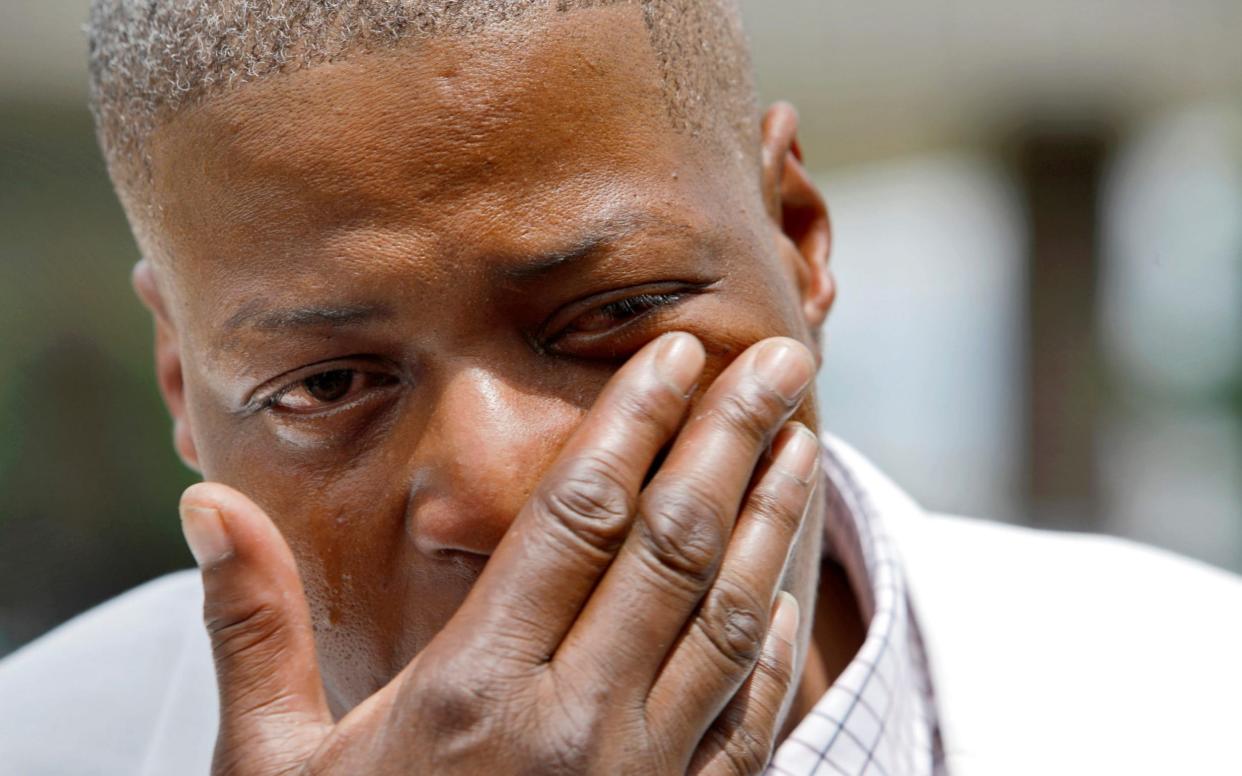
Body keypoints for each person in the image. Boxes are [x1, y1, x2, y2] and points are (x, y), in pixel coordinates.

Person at [1, 1, 1240, 774]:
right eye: (327, 384)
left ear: (800, 236)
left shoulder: (1197, 695)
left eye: (616, 317)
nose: (497, 488)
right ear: (182, 381)